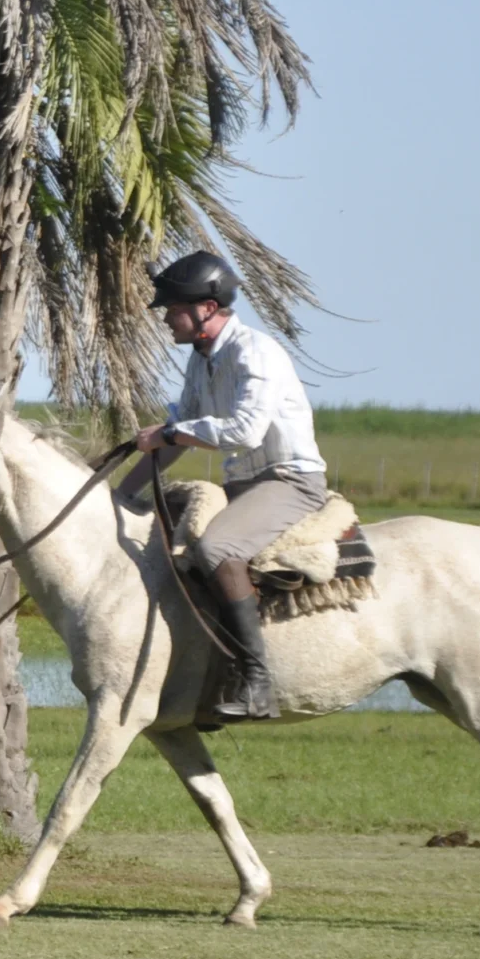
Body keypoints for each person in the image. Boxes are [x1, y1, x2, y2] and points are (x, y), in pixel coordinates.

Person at [133, 249, 328, 725]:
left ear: (207, 308)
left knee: (217, 548)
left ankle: (257, 685)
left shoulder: (254, 352)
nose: (167, 320)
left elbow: (244, 431)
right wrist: (119, 495)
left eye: (174, 310)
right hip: (245, 485)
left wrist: (173, 433)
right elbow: (180, 429)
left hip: (290, 481)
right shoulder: (201, 361)